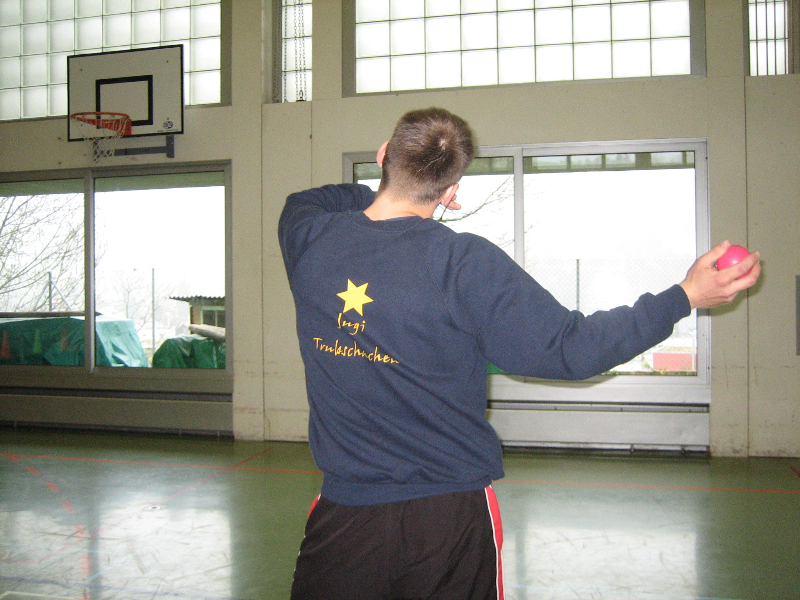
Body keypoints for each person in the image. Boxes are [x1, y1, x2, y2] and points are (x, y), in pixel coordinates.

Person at [278, 107, 761, 600]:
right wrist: (685, 296)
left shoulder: (310, 239)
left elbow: (303, 201)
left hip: (343, 520)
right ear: (452, 190)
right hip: (448, 520)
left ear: (384, 156)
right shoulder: (463, 262)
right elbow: (573, 349)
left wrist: (394, 188)